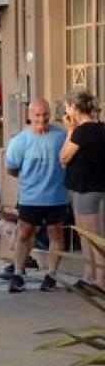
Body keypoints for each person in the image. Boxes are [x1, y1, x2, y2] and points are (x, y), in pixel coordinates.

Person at [4, 98, 68, 293]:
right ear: (30, 115)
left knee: (55, 233)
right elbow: (11, 169)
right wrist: (30, 180)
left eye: (45, 114)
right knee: (24, 233)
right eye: (37, 115)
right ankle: (18, 273)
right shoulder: (19, 141)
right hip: (30, 197)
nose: (42, 119)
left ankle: (51, 275)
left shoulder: (62, 135)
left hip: (56, 196)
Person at [60, 90, 105, 291]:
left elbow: (64, 157)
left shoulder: (82, 131)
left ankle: (97, 278)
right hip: (95, 188)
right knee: (95, 235)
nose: (65, 110)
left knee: (90, 236)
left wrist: (70, 130)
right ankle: (94, 276)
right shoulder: (102, 128)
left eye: (67, 106)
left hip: (86, 189)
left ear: (75, 108)